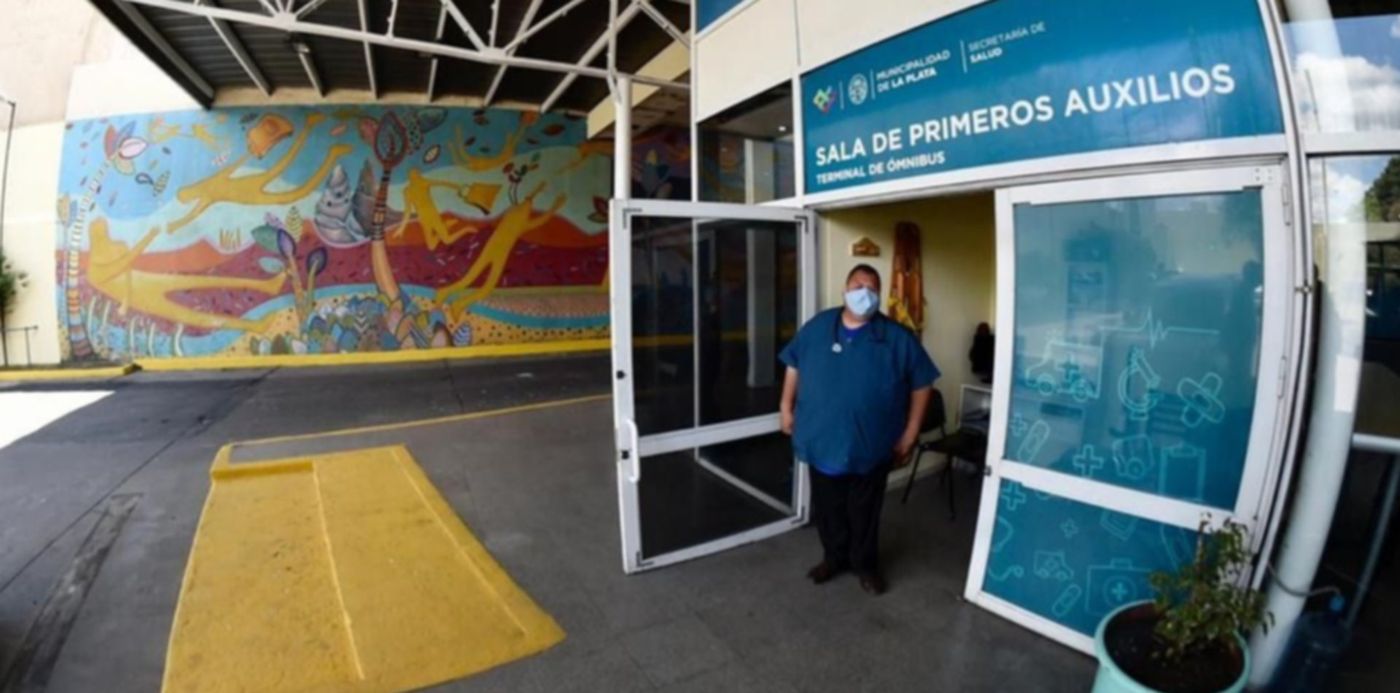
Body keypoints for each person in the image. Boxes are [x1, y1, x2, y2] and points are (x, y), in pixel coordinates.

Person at [779, 264, 939, 595]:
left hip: (871, 445)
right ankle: (833, 558)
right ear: (845, 289)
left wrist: (910, 434)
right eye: (857, 285)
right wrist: (785, 406)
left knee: (865, 513)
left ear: (879, 295)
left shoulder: (896, 337)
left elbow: (923, 383)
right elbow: (794, 363)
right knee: (828, 510)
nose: (864, 293)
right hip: (822, 440)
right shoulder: (819, 327)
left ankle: (865, 566)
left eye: (872, 288)